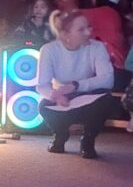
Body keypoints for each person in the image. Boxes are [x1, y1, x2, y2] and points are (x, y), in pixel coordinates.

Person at [36, 11, 115, 159]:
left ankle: (88, 140)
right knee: (43, 106)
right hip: (62, 98)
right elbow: (42, 86)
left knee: (106, 100)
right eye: (81, 29)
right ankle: (60, 135)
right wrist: (56, 96)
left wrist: (75, 86)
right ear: (65, 34)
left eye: (88, 27)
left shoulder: (97, 47)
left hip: (87, 96)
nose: (88, 32)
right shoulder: (49, 50)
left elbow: (107, 79)